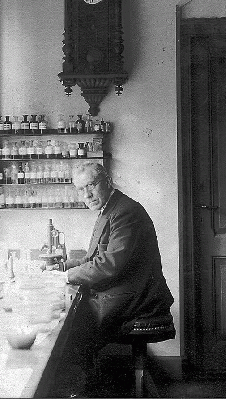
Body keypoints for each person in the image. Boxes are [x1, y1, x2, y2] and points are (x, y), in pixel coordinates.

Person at [50, 162, 174, 396]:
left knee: (68, 329)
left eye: (92, 185)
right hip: (126, 292)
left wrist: (66, 276)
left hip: (139, 298)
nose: (86, 194)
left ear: (107, 181)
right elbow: (94, 258)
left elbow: (110, 264)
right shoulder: (109, 209)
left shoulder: (125, 211)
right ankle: (84, 385)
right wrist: (62, 267)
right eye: (80, 189)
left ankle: (80, 389)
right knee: (67, 322)